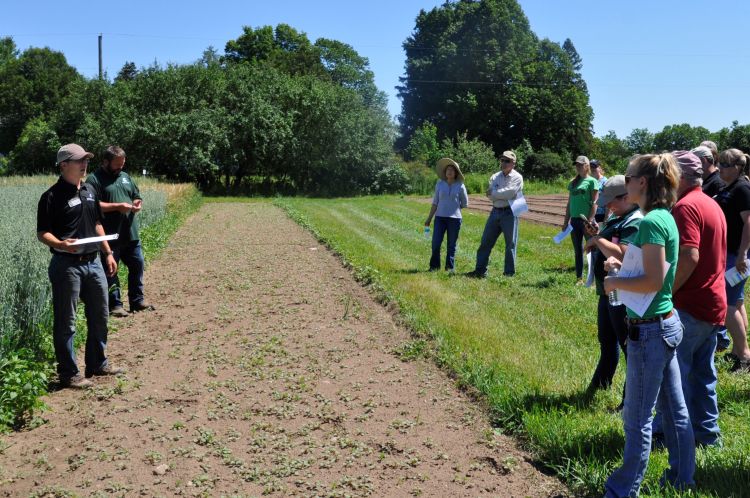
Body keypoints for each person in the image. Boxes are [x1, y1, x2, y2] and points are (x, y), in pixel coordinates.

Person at [603, 153, 694, 496]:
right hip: (665, 323)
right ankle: (682, 479)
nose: (625, 186)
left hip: (651, 331)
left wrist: (615, 284)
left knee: (638, 418)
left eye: (627, 179)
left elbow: (653, 280)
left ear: (642, 182)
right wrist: (622, 263)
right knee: (675, 411)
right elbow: (653, 268)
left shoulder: (650, 222)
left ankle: (622, 489)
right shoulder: (663, 217)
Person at [653, 151, 726, 448]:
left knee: (672, 379)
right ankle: (708, 438)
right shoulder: (711, 204)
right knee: (703, 377)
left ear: (678, 177)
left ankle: (669, 438)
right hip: (713, 304)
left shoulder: (685, 208)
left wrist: (667, 291)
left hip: (689, 305)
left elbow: (690, 255)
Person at [36, 144, 124, 389]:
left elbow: (96, 223)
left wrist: (107, 252)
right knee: (67, 322)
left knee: (100, 315)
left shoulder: (89, 190)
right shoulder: (51, 197)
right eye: (79, 161)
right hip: (66, 266)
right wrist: (62, 244)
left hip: (93, 262)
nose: (84, 164)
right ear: (64, 165)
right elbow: (43, 233)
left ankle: (97, 363)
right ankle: (69, 373)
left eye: (86, 160)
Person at [584, 175, 642, 392]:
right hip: (608, 291)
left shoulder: (635, 221)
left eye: (611, 201)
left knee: (627, 345)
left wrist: (598, 240)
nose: (607, 205)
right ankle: (600, 385)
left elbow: (624, 254)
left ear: (627, 197)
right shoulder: (619, 217)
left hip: (622, 293)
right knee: (607, 340)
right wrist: (598, 234)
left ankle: (630, 398)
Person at [86, 146, 155, 317]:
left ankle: (137, 300)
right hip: (109, 236)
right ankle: (115, 305)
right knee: (111, 271)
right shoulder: (94, 180)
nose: (120, 167)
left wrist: (137, 202)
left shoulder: (125, 177)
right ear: (105, 162)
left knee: (137, 266)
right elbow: (91, 205)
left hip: (130, 234)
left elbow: (136, 195)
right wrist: (118, 206)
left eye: (122, 164)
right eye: (117, 164)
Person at [714, 148, 750, 371]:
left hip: (736, 255)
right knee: (736, 302)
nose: (720, 169)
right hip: (729, 254)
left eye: (725, 165)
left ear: (737, 167)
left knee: (727, 305)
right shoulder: (729, 187)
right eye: (720, 164)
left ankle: (745, 355)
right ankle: (738, 350)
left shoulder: (743, 188)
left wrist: (743, 253)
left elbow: (749, 222)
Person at [468, 151, 524, 278]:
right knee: (485, 242)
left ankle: (509, 273)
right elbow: (490, 196)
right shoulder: (495, 176)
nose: (504, 163)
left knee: (510, 244)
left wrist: (495, 193)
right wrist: (498, 194)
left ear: (513, 164)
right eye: (502, 160)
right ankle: (480, 271)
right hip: (495, 211)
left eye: (507, 161)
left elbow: (509, 193)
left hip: (510, 212)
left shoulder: (517, 178)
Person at [424, 158, 469, 272]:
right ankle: (434, 266)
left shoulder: (460, 186)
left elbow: (464, 204)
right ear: (445, 172)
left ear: (456, 173)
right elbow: (435, 202)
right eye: (447, 169)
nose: (449, 171)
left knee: (451, 245)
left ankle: (449, 268)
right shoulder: (439, 184)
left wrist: (453, 209)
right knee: (436, 243)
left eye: (452, 170)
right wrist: (429, 218)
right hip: (439, 218)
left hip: (455, 219)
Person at [562, 155, 600, 284]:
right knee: (578, 250)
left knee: (591, 249)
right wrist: (565, 221)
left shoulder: (592, 181)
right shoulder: (573, 183)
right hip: (574, 221)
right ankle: (579, 278)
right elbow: (569, 204)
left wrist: (589, 220)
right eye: (576, 165)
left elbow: (595, 203)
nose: (578, 167)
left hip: (586, 222)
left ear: (587, 166)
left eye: (580, 164)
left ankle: (594, 277)